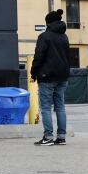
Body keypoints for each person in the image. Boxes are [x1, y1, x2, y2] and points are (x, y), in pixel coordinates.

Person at [31, 8, 70, 146]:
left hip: (47, 76)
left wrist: (33, 73)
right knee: (60, 107)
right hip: (63, 76)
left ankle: (48, 136)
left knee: (46, 107)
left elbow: (38, 57)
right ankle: (61, 137)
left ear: (48, 23)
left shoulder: (44, 37)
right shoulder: (64, 37)